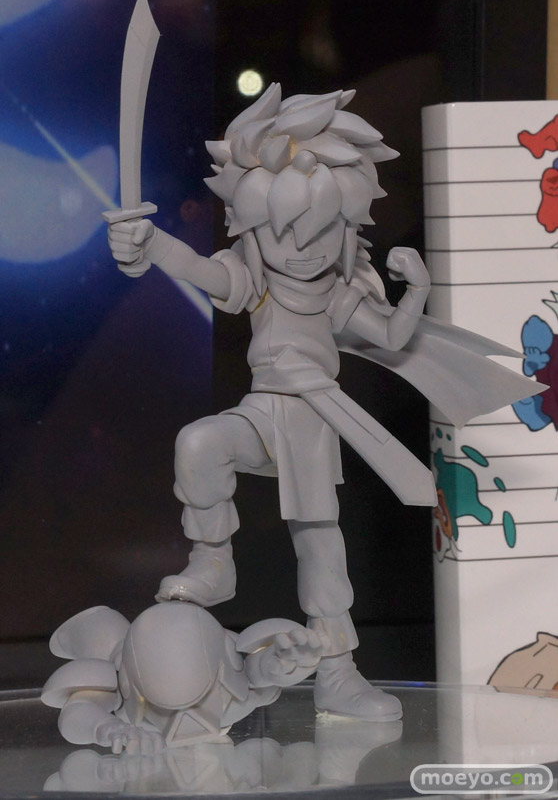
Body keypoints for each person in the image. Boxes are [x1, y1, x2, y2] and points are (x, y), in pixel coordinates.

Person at [107, 84, 545, 721]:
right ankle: (213, 560)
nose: (304, 249)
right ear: (253, 226)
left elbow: (392, 337)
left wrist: (416, 289)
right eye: (284, 232)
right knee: (200, 442)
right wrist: (148, 246)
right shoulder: (255, 278)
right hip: (263, 413)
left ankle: (338, 671)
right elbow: (199, 268)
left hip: (315, 423)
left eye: (323, 230)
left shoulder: (337, 294)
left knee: (321, 547)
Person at [42, 602, 325, 752]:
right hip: (151, 752)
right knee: (103, 638)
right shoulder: (119, 680)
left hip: (225, 753)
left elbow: (255, 670)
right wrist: (106, 728)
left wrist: (281, 665)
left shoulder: (232, 675)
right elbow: (78, 711)